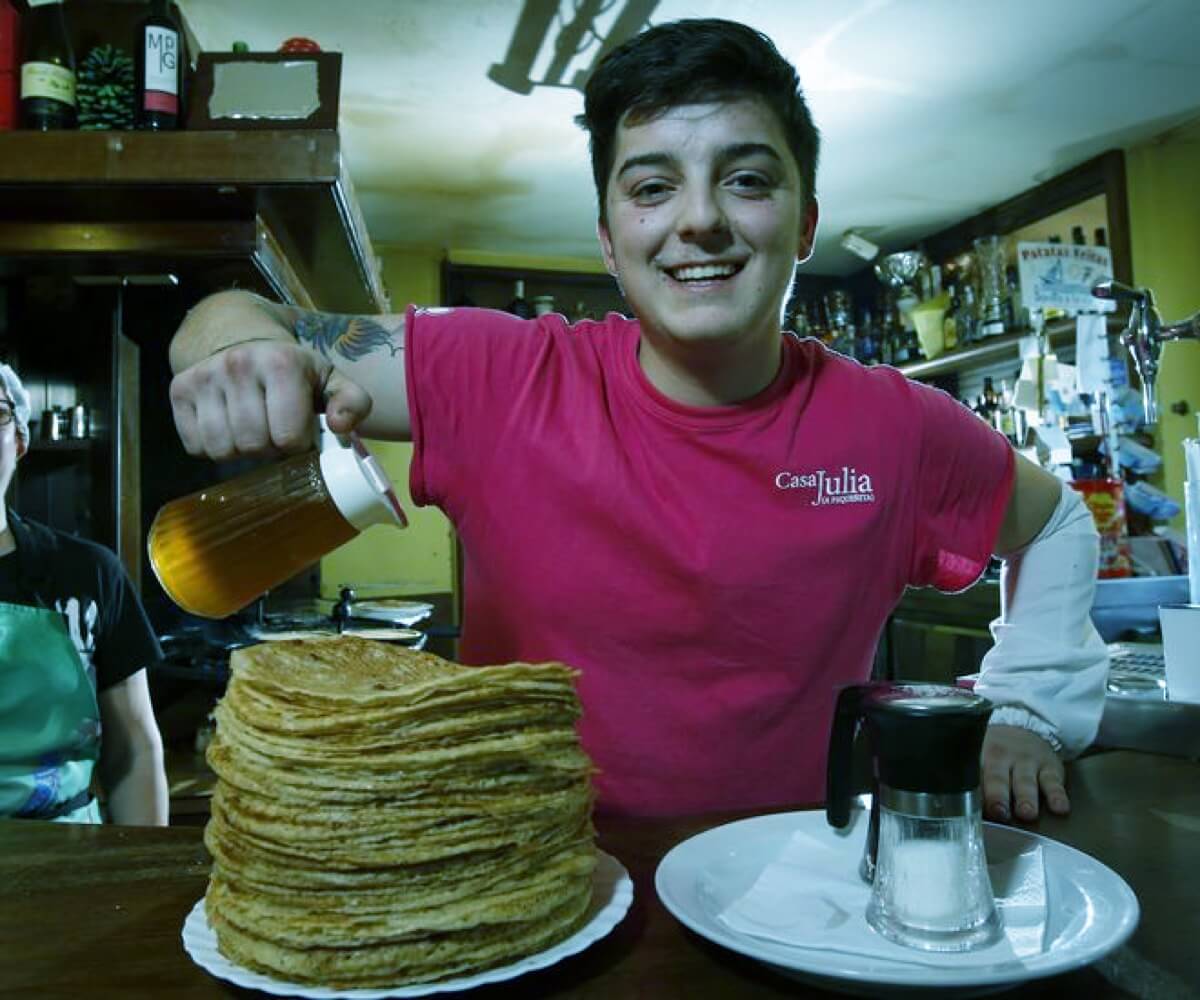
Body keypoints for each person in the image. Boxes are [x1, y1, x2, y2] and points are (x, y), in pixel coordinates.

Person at [166, 19, 1107, 821]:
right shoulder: (501, 373)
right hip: (533, 898)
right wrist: (231, 350)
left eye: (745, 179)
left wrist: (1029, 706)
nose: (698, 220)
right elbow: (234, 321)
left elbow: (1059, 521)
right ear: (611, 241)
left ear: (806, 222)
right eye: (653, 187)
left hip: (798, 909)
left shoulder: (896, 430)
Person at [0, 364, 168, 825]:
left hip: (66, 860)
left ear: (18, 442)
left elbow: (133, 749)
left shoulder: (90, 573)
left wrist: (141, 878)